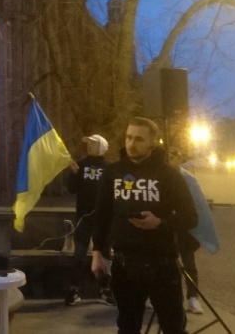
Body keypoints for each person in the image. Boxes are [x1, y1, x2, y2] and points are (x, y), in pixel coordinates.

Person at [91, 117, 197, 334]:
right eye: (129, 137)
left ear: (153, 142)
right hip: (124, 265)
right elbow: (102, 215)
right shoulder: (113, 173)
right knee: (128, 328)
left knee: (173, 327)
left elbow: (191, 217)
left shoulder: (169, 175)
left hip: (162, 265)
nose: (131, 144)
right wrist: (97, 252)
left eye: (139, 139)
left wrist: (160, 223)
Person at [167, 149, 220, 315]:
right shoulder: (161, 175)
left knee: (189, 264)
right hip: (167, 228)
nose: (168, 160)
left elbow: (199, 205)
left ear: (179, 157)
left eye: (172, 156)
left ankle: (192, 297)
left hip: (185, 229)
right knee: (168, 265)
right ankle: (171, 299)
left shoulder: (188, 178)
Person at [65, 134, 114, 306]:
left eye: (93, 143)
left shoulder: (110, 167)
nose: (89, 146)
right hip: (83, 219)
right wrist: (74, 174)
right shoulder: (82, 164)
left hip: (104, 220)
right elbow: (72, 189)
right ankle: (73, 291)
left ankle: (105, 291)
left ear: (101, 146)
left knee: (105, 255)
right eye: (89, 143)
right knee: (78, 254)